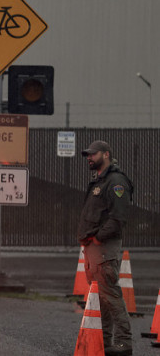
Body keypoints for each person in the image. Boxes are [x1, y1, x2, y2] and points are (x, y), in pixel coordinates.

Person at [77, 140, 133, 356]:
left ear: (106, 154)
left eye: (93, 154)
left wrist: (99, 239)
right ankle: (105, 341)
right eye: (88, 155)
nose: (89, 158)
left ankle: (123, 342)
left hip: (103, 250)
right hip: (93, 250)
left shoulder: (116, 182)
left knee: (111, 296)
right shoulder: (100, 181)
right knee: (101, 298)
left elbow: (118, 218)